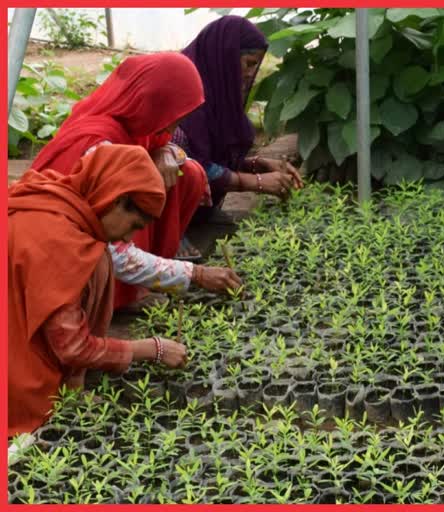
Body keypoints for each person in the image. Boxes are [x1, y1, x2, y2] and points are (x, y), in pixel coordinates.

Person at [29, 52, 241, 310]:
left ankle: (140, 281)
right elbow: (113, 252)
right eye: (174, 118)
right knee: (140, 187)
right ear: (153, 101)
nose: (171, 130)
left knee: (189, 172)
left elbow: (174, 149)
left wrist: (166, 151)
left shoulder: (136, 125)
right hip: (59, 258)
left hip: (102, 238)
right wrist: (193, 275)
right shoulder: (97, 145)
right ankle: (115, 296)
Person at [9, 145, 189, 436]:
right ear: (117, 199)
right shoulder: (60, 242)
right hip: (15, 378)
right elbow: (72, 347)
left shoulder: (54, 197)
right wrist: (151, 349)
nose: (129, 237)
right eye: (133, 225)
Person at [174, 14, 303, 224]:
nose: (251, 74)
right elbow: (192, 164)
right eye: (248, 63)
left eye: (256, 66)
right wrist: (257, 182)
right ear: (225, 56)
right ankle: (172, 234)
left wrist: (257, 165)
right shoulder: (185, 91)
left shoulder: (215, 90)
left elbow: (212, 154)